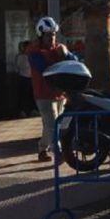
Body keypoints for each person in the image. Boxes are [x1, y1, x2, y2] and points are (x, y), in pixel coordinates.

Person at [27, 16, 70, 162]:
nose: (52, 38)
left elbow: (74, 61)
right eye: (48, 35)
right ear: (41, 35)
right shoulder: (34, 51)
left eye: (53, 34)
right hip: (43, 94)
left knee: (50, 125)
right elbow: (46, 68)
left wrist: (67, 54)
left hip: (60, 93)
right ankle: (58, 152)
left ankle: (42, 149)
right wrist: (59, 56)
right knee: (52, 125)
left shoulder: (58, 48)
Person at [14, 40, 34, 117]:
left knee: (31, 95)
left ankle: (32, 110)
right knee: (23, 95)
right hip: (23, 77)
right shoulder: (20, 56)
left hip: (32, 78)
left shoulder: (32, 56)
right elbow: (17, 68)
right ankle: (23, 111)